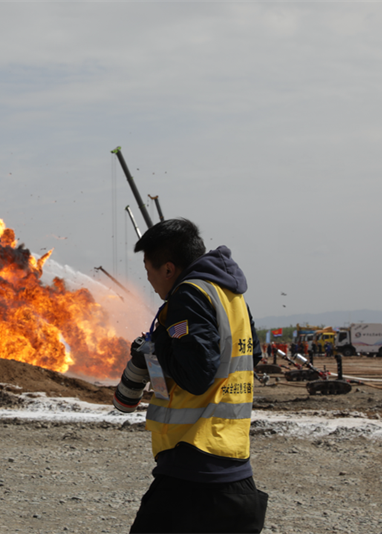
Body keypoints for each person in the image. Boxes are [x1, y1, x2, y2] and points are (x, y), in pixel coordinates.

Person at [112, 218, 268, 534]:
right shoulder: (231, 296)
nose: (150, 281)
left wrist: (155, 349)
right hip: (234, 467)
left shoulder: (188, 296)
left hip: (193, 471)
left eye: (148, 271)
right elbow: (251, 356)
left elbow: (196, 374)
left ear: (168, 269)